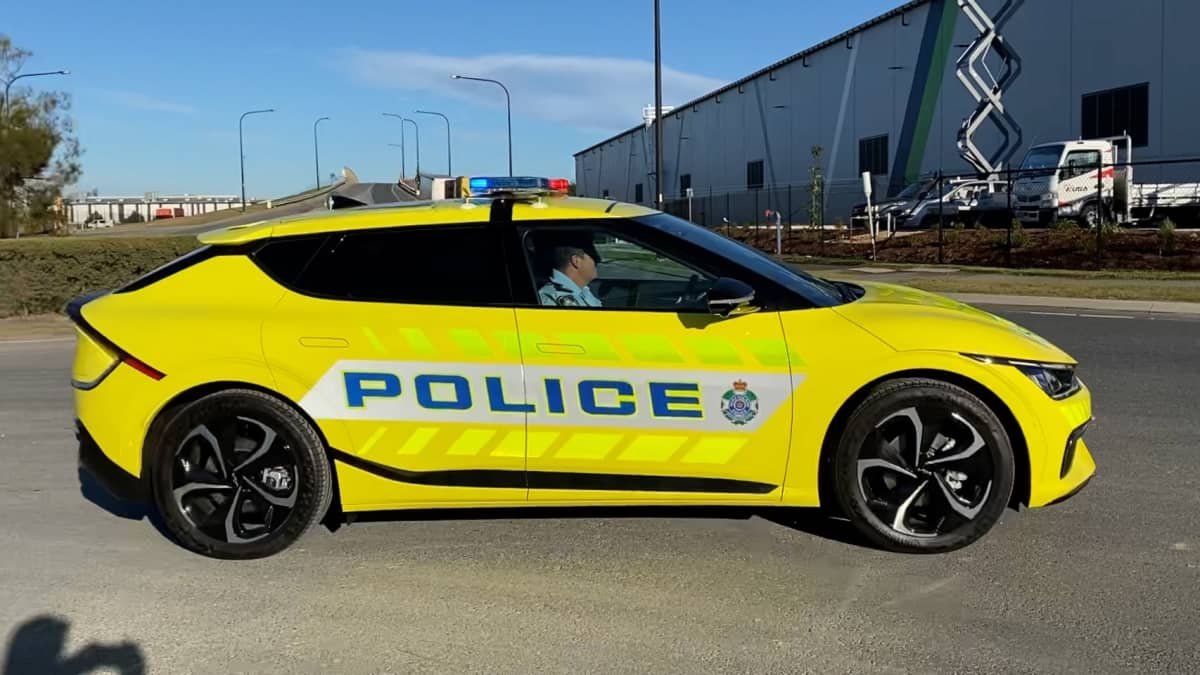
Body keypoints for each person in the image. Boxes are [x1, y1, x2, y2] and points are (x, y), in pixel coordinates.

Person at [537, 233, 603, 307]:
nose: (599, 259)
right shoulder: (550, 300)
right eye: (593, 256)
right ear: (576, 261)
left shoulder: (582, 290)